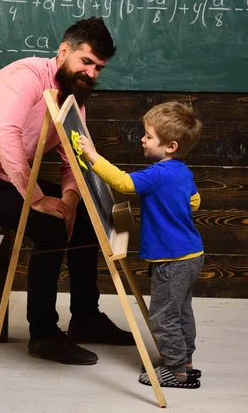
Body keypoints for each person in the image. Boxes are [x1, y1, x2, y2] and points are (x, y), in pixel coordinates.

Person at [0, 16, 135, 366]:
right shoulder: (25, 76)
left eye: (99, 68)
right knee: (50, 225)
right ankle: (43, 334)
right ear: (64, 51)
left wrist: (71, 199)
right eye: (86, 62)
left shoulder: (74, 98)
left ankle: (85, 318)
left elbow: (75, 158)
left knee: (84, 213)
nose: (92, 73)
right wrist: (38, 198)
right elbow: (5, 134)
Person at [78, 101, 204, 388]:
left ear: (170, 146)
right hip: (193, 255)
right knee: (182, 311)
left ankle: (176, 372)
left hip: (172, 260)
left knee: (162, 316)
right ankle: (184, 360)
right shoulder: (181, 171)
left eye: (148, 136)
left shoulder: (158, 174)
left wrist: (92, 156)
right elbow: (195, 201)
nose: (143, 139)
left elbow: (123, 183)